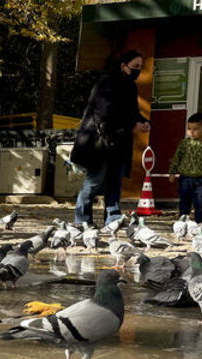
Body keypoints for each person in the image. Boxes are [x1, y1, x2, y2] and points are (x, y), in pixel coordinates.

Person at [71, 50, 151, 227]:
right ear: (123, 66)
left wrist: (143, 122)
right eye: (135, 66)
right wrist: (132, 125)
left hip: (119, 143)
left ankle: (113, 218)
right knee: (94, 181)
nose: (138, 70)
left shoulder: (130, 87)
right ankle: (82, 220)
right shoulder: (106, 84)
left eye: (140, 67)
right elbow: (104, 114)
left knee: (115, 182)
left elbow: (133, 112)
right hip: (99, 143)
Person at [168, 113, 202, 224]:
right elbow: (177, 158)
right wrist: (172, 172)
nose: (191, 132)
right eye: (189, 129)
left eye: (195, 129)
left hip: (201, 180)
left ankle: (200, 224)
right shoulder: (184, 143)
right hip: (185, 179)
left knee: (200, 202)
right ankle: (183, 223)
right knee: (184, 202)